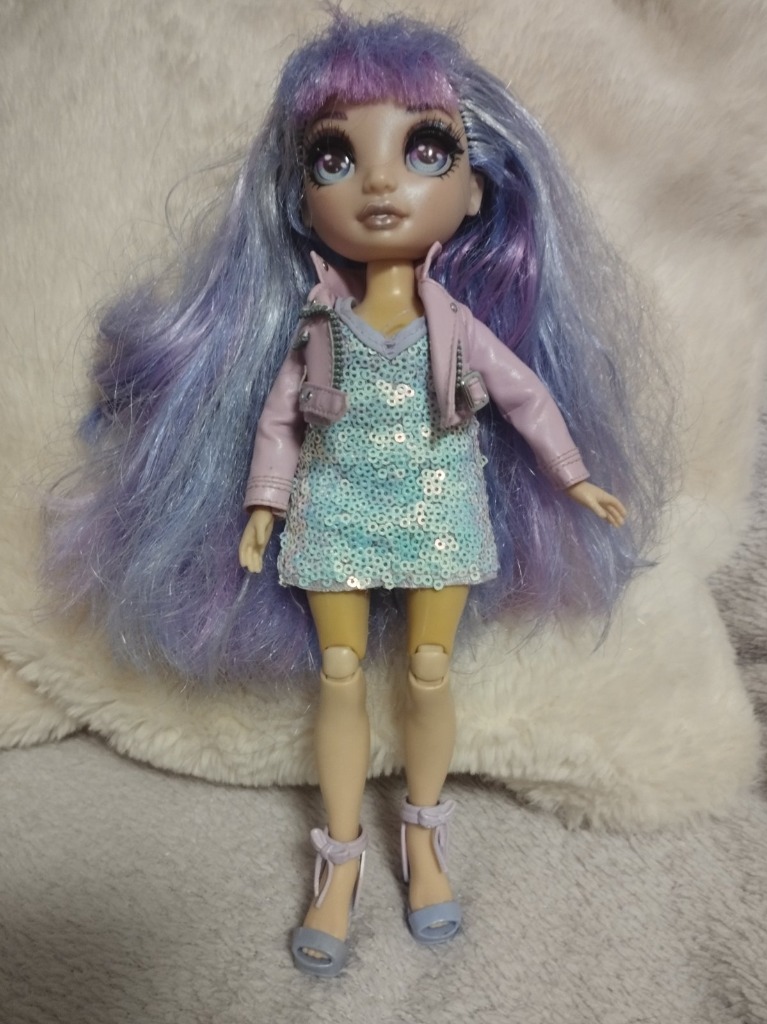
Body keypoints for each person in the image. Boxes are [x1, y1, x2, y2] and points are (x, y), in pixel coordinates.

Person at [48, 13, 667, 977]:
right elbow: (279, 423)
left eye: (423, 150)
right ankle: (337, 864)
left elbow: (526, 397)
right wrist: (263, 505)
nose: (380, 183)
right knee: (337, 676)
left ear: (474, 190)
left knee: (428, 670)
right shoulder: (317, 327)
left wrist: (574, 476)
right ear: (301, 201)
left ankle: (424, 843)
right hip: (333, 510)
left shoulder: (457, 326)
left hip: (437, 509)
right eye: (336, 157)